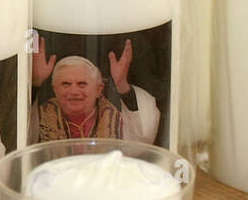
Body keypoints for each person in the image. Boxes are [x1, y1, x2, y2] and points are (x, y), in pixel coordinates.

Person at [29, 38, 160, 143]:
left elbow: (143, 137)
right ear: (55, 89)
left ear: (99, 90)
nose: (74, 91)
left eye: (82, 84)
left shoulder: (115, 118)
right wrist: (35, 83)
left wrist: (122, 85)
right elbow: (23, 139)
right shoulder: (40, 116)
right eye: (66, 84)